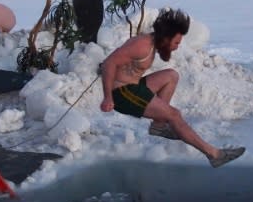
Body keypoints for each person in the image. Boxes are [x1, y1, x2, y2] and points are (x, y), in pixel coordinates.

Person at [100, 9, 245, 168]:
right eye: (176, 42)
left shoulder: (152, 43)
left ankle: (159, 125)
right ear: (165, 38)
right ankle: (214, 155)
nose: (177, 47)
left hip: (132, 87)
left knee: (171, 76)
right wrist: (108, 97)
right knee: (174, 115)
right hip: (122, 94)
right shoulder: (142, 45)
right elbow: (109, 63)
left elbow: (117, 59)